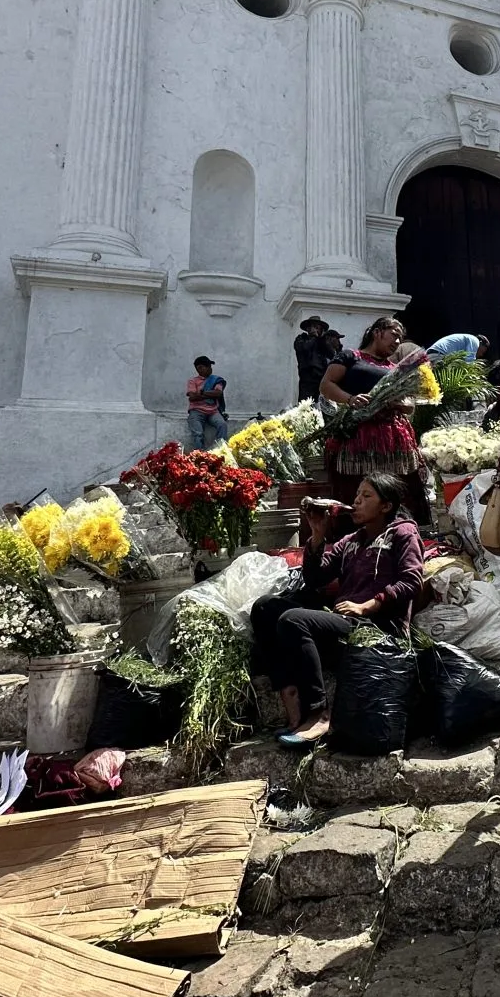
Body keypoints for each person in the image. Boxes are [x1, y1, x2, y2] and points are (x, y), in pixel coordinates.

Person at [248, 473, 423, 748]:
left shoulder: (402, 533)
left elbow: (412, 581)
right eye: (357, 495)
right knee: (265, 607)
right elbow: (316, 578)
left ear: (386, 506)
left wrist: (369, 605)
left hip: (376, 630)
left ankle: (320, 713)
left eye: (367, 497)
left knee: (293, 620)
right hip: (343, 622)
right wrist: (317, 535)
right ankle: (291, 697)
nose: (357, 501)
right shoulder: (351, 540)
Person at [319, 317, 430, 518]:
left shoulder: (395, 369)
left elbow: (410, 405)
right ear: (377, 332)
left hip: (394, 439)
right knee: (359, 485)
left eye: (400, 338)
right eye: (394, 335)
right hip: (358, 436)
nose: (397, 342)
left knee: (398, 486)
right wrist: (351, 399)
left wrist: (394, 403)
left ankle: (401, 528)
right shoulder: (351, 357)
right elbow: (326, 385)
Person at [186, 356, 228, 450]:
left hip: (213, 411)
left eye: (210, 366)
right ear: (199, 368)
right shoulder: (193, 381)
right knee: (198, 433)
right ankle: (200, 455)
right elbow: (192, 397)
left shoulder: (216, 380)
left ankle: (220, 451)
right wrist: (209, 394)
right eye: (207, 366)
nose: (210, 369)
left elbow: (218, 393)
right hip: (196, 410)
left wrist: (201, 393)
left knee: (222, 425)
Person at [294, 316, 333, 401]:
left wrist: (322, 339)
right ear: (308, 328)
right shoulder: (301, 339)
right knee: (306, 403)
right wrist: (314, 337)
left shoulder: (322, 342)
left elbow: (331, 354)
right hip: (307, 376)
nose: (316, 330)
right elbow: (305, 348)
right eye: (314, 327)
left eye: (318, 328)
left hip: (322, 377)